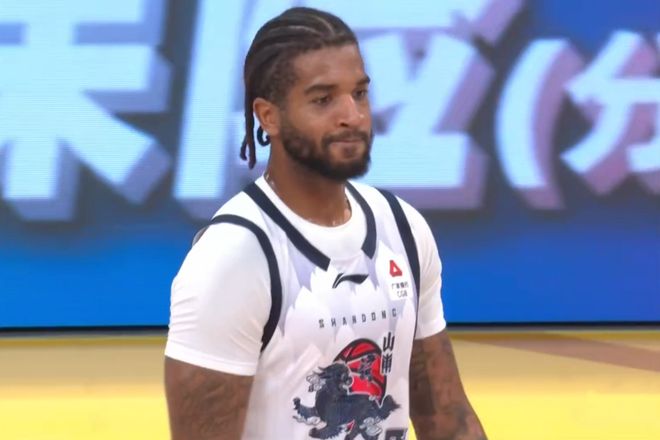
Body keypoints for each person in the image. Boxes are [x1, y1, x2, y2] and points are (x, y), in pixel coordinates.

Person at [164, 7, 486, 440]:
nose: (352, 115)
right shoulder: (233, 257)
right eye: (323, 99)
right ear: (268, 116)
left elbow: (449, 421)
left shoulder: (403, 229)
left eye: (360, 93)